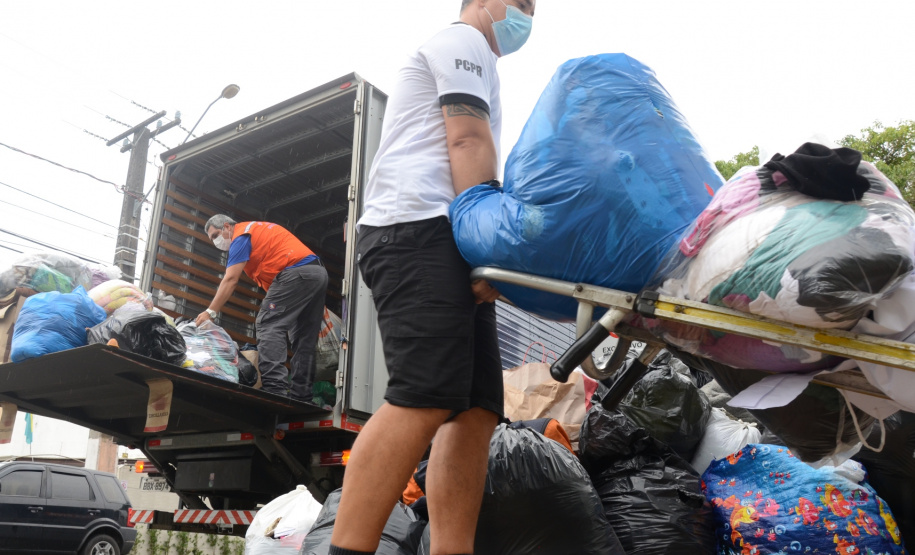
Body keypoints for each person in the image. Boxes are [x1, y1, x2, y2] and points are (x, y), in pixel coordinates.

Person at [329, 1, 535, 554]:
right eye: (521, 4)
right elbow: (466, 137)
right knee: (425, 394)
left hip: (448, 235)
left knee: (476, 410)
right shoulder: (461, 42)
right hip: (414, 228)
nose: (526, 16)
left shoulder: (484, 63)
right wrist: (489, 242)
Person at [195, 215, 328, 402]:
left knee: (268, 324)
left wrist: (210, 312)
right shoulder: (256, 231)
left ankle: (275, 389)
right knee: (303, 338)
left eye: (215, 235)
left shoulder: (241, 236)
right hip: (317, 274)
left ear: (227, 226)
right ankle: (302, 395)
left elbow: (231, 279)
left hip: (296, 272)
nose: (216, 242)